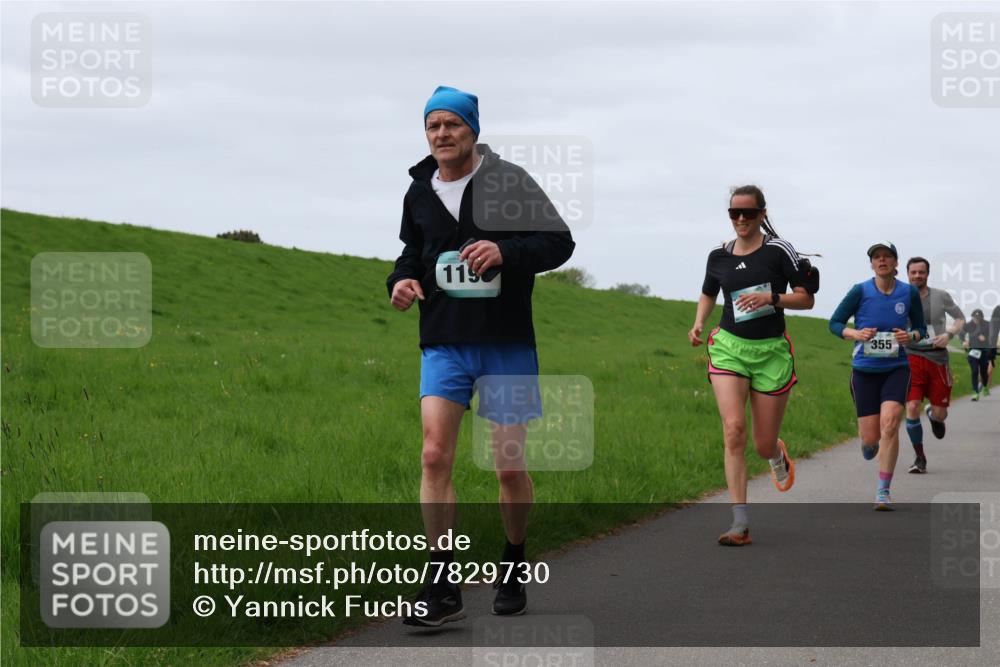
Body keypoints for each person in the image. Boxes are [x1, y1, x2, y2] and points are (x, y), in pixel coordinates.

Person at [387, 86, 575, 626]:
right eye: (432, 125)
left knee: (507, 465)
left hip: (505, 343)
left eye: (452, 124)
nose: (442, 133)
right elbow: (411, 254)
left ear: (473, 129)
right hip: (443, 341)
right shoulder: (418, 192)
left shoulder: (508, 180)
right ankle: (441, 582)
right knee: (433, 456)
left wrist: (505, 252)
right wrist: (400, 282)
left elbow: (559, 242)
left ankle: (513, 561)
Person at [689, 184, 818, 546]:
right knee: (733, 430)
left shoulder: (779, 251)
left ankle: (776, 453)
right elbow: (709, 291)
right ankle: (739, 523)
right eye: (734, 213)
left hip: (771, 353)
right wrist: (699, 321)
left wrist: (773, 298)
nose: (741, 219)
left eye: (748, 213)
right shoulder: (718, 255)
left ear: (762, 213)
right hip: (729, 347)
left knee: (761, 445)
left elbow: (806, 299)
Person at [829, 242, 927, 510]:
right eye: (876, 257)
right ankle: (868, 444)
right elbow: (834, 323)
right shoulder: (860, 290)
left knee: (891, 423)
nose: (882, 260)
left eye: (887, 257)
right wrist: (854, 334)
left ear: (896, 263)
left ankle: (883, 491)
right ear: (871, 264)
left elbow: (920, 328)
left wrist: (912, 336)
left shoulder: (908, 293)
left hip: (896, 368)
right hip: (864, 371)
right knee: (871, 438)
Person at [902, 257, 965, 474]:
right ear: (907, 274)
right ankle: (920, 458)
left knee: (941, 414)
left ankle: (932, 415)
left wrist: (949, 334)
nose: (917, 276)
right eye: (913, 272)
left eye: (922, 272)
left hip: (937, 359)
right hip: (911, 357)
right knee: (911, 407)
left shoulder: (941, 296)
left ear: (927, 274)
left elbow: (959, 319)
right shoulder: (900, 296)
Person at [961, 309, 992, 401]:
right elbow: (961, 334)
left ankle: (985, 386)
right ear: (972, 317)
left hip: (984, 351)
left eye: (978, 318)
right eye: (975, 318)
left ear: (982, 317)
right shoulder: (968, 325)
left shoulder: (987, 324)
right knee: (974, 371)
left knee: (984, 372)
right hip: (973, 351)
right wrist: (964, 341)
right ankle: (975, 392)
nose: (977, 320)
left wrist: (986, 338)